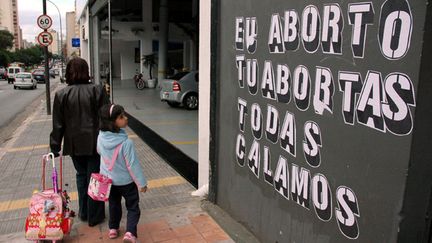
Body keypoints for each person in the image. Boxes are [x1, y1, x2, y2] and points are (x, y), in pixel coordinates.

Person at [50, 57, 108, 227]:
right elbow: (106, 116)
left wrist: (55, 147)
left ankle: (84, 212)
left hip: (74, 144)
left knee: (81, 177)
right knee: (95, 178)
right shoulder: (98, 90)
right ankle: (94, 216)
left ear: (69, 72)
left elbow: (58, 124)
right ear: (86, 71)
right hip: (95, 143)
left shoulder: (61, 94)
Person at [97, 104, 148, 243]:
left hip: (109, 181)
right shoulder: (127, 143)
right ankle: (130, 233)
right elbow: (133, 166)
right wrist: (141, 184)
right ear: (112, 122)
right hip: (126, 182)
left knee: (114, 204)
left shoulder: (101, 137)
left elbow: (99, 152)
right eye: (121, 117)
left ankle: (113, 228)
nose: (126, 118)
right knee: (132, 207)